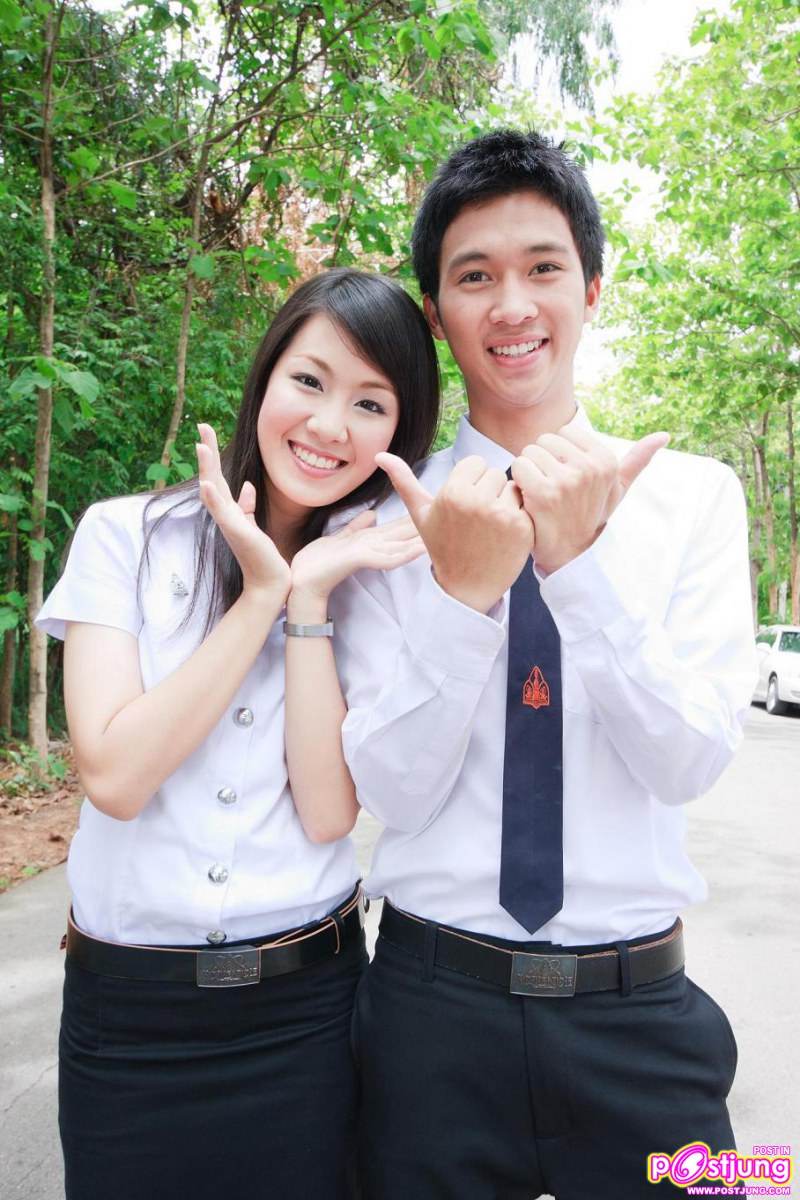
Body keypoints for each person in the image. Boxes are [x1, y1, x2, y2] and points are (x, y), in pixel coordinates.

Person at [325, 131, 757, 1198]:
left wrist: (577, 570)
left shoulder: (694, 497)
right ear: (436, 313)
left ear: (592, 288)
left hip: (641, 1021)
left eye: (542, 268)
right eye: (474, 276)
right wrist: (462, 595)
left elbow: (688, 762)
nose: (511, 304)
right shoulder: (380, 514)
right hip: (430, 1018)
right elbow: (391, 791)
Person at [34, 268, 440, 1200]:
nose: (330, 424)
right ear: (266, 377)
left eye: (370, 403)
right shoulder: (126, 536)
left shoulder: (374, 577)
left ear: (399, 435)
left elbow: (329, 814)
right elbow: (116, 777)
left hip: (307, 1013)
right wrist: (262, 595)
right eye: (310, 380)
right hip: (129, 1020)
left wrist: (310, 599)